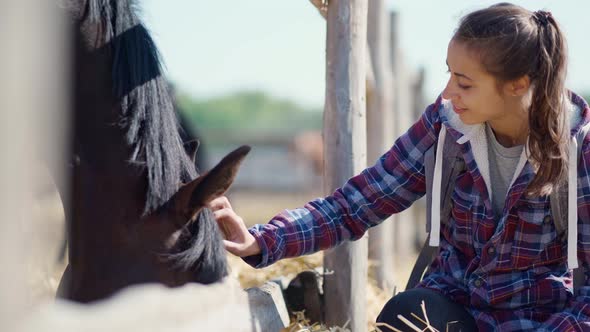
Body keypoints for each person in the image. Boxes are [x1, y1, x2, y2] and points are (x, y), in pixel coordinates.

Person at [208, 3, 590, 331]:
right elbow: (357, 202)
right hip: (454, 308)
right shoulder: (444, 128)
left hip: (539, 320)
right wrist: (263, 240)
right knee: (403, 315)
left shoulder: (580, 150)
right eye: (449, 75)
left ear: (517, 85)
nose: (447, 94)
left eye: (465, 83)